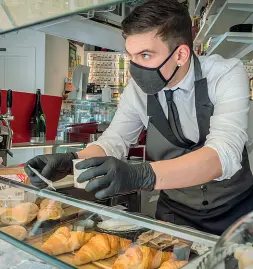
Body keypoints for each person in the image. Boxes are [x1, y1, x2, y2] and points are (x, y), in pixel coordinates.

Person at [25, 0, 252, 236]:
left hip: (235, 212)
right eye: (131, 56)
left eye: (145, 55)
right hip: (175, 215)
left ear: (181, 54)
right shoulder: (137, 89)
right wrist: (72, 161)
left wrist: (141, 175)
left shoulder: (225, 74)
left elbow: (223, 155)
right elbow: (114, 141)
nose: (135, 67)